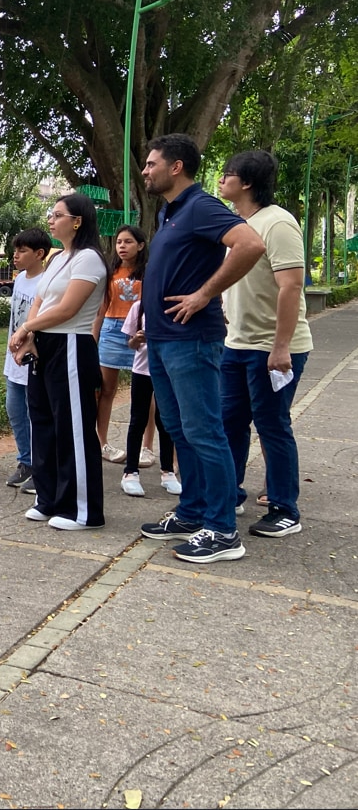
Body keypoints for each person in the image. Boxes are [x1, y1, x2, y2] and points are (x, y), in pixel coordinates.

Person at [138, 133, 265, 563]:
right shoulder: (170, 214)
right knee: (181, 430)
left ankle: (223, 530)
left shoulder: (201, 206)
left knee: (206, 432)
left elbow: (250, 245)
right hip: (163, 340)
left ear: (176, 167)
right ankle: (193, 512)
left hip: (191, 342)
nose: (145, 170)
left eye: (152, 163)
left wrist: (204, 295)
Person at [218, 150, 313, 537]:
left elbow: (290, 285)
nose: (221, 179)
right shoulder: (237, 224)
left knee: (273, 425)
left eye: (228, 174)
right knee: (230, 424)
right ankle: (229, 494)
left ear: (248, 182)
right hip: (235, 344)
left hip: (272, 348)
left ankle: (284, 508)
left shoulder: (278, 223)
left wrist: (280, 347)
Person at [9, 193, 110, 531]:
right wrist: (31, 337)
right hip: (46, 344)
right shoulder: (57, 259)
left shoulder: (89, 259)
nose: (51, 220)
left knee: (73, 429)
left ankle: (83, 510)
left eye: (58, 215)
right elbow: (39, 300)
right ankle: (49, 498)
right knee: (44, 422)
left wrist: (25, 327)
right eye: (51, 215)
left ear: (77, 220)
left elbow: (68, 309)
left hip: (71, 343)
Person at [92, 225, 148, 464]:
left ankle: (147, 447)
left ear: (141, 245)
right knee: (106, 390)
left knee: (147, 392)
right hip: (112, 330)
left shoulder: (149, 271)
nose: (122, 247)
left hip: (142, 330)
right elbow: (101, 308)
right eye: (119, 242)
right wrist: (92, 340)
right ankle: (101, 442)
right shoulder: (110, 271)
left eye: (128, 242)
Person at [3, 227, 52, 492]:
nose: (16, 255)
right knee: (15, 411)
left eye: (22, 251)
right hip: (13, 360)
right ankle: (26, 462)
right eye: (15, 250)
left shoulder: (47, 281)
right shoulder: (20, 278)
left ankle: (42, 468)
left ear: (39, 253)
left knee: (37, 416)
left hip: (34, 358)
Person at [119, 298, 181, 497]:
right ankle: (130, 472)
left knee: (166, 421)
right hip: (142, 370)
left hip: (168, 370)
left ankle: (168, 471)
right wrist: (136, 339)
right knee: (138, 419)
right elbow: (130, 343)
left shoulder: (175, 306)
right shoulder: (140, 307)